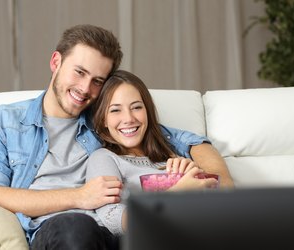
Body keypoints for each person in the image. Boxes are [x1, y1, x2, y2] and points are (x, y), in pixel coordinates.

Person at [0, 24, 233, 249]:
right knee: (77, 227)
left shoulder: (105, 120)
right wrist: (79, 196)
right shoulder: (2, 121)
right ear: (55, 62)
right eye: (79, 72)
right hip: (60, 230)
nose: (85, 89)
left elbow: (189, 141)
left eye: (97, 81)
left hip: (114, 231)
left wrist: (223, 185)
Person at [86, 70, 233, 235]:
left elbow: (220, 206)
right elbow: (113, 219)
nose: (128, 118)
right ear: (103, 119)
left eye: (136, 107)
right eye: (115, 110)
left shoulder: (173, 153)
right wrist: (176, 193)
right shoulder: (103, 158)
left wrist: (195, 173)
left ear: (147, 111)